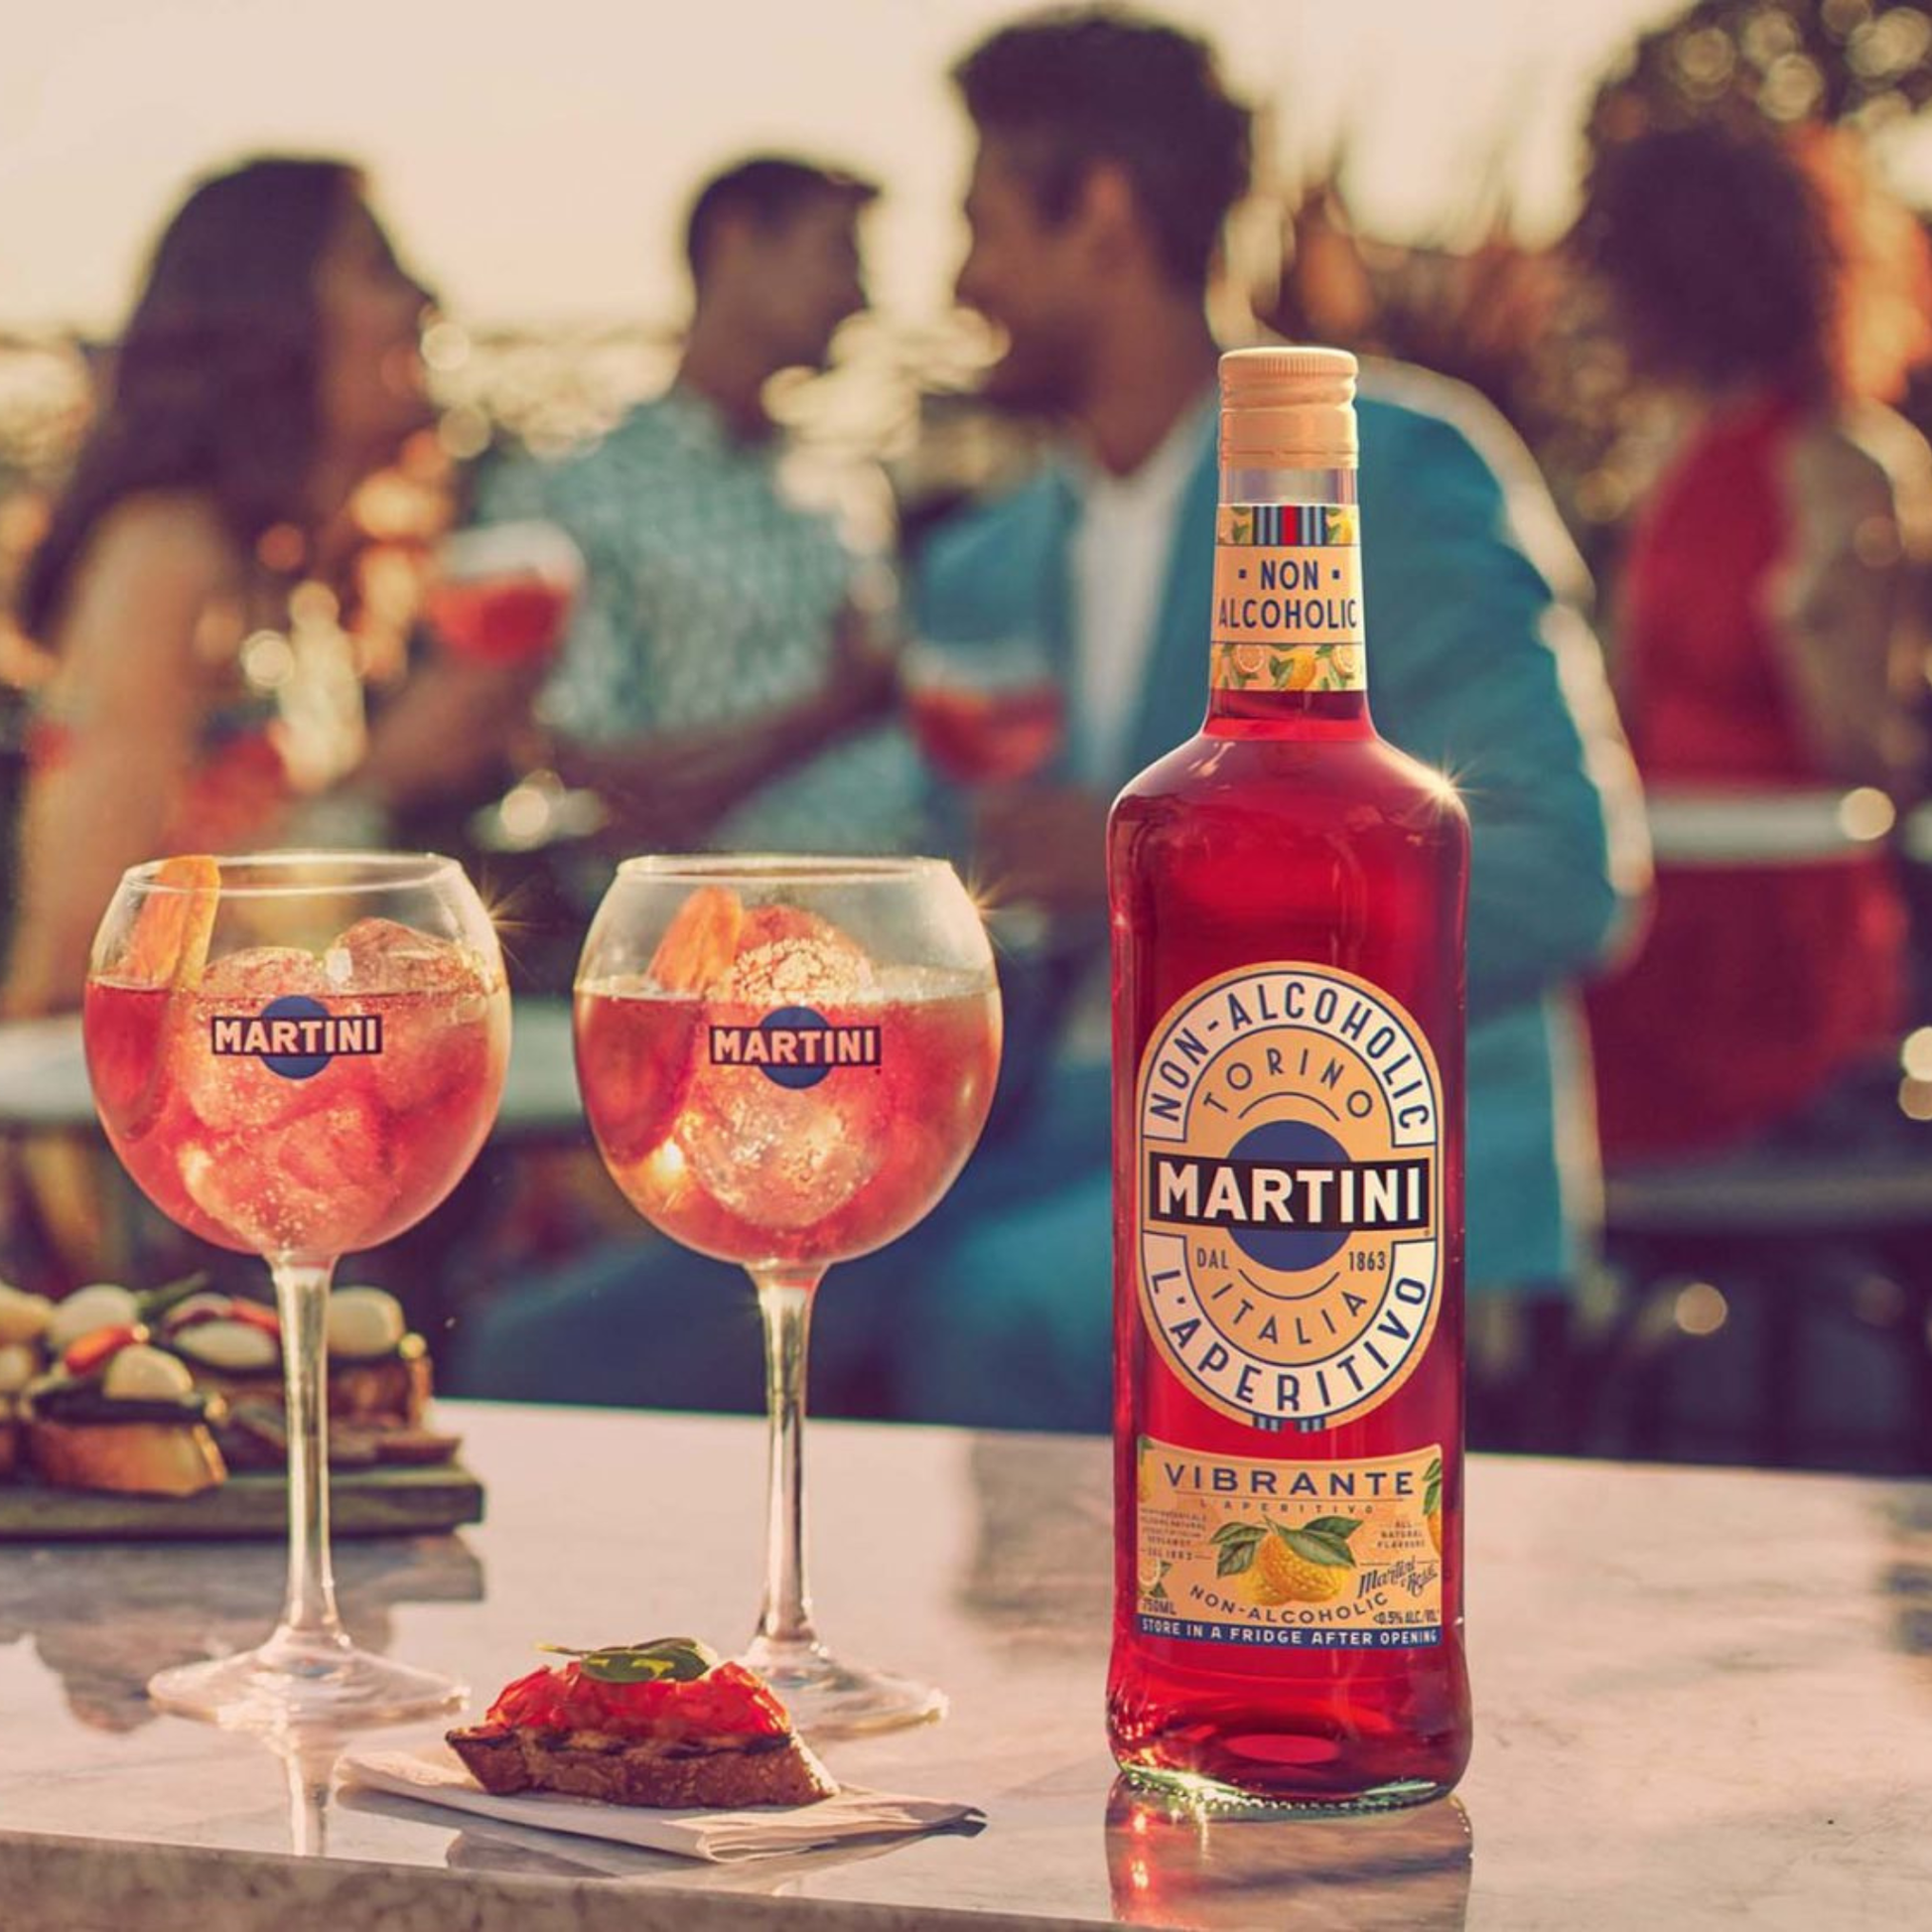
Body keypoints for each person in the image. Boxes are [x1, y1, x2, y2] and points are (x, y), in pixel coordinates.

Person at [453, 9, 1648, 1448]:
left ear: (1099, 214)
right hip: (1024, 1142)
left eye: (982, 227)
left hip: (1322, 1159)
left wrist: (1162, 866)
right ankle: (639, 1677)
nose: (960, 284)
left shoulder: (1383, 475)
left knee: (989, 1306)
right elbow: (970, 925)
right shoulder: (984, 561)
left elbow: (1566, 877)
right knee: (545, 1354)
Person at [1575, 118, 1932, 1164]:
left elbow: (1868, 761)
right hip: (1652, 912)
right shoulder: (1678, 461)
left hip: (1778, 946)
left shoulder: (1843, 463)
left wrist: (1809, 631)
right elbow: (1616, 709)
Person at [2, 156, 435, 1019]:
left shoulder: (282, 566)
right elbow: (86, 936)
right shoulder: (168, 552)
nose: (422, 298)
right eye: (378, 268)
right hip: (173, 1123)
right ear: (273, 319)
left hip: (282, 1087)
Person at [473, 154, 922, 868]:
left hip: (927, 905)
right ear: (735, 241)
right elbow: (599, 777)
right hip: (721, 933)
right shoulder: (576, 490)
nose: (859, 297)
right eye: (839, 254)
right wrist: (828, 712)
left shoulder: (847, 486)